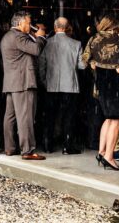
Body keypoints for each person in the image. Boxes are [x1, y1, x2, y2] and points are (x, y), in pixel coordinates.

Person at [1, 11, 48, 160]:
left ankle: (9, 147)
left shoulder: (7, 36)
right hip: (23, 83)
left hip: (11, 82)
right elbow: (35, 50)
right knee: (25, 117)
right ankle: (28, 151)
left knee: (10, 117)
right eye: (28, 22)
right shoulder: (19, 36)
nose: (30, 25)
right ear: (20, 23)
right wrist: (40, 36)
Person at [40, 17, 85, 154]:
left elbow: (41, 66)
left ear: (55, 27)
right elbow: (82, 66)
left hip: (51, 86)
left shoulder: (46, 43)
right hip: (70, 86)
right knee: (68, 117)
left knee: (50, 116)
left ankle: (48, 146)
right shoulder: (76, 44)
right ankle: (67, 146)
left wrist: (44, 82)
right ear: (66, 27)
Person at [83, 16, 119, 171]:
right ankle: (109, 156)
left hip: (100, 82)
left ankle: (101, 152)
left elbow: (86, 60)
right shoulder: (118, 41)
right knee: (116, 120)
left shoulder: (94, 38)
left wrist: (96, 64)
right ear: (114, 26)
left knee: (107, 119)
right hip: (114, 83)